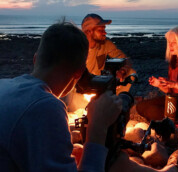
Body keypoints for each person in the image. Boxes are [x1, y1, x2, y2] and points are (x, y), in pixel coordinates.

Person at [0, 21, 122, 172]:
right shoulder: (45, 106)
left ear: (36, 59)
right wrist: (98, 127)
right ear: (79, 72)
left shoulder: (4, 86)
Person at [136, 27, 178, 124]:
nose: (170, 46)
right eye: (168, 42)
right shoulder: (174, 60)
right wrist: (160, 84)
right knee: (140, 106)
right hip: (172, 102)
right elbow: (170, 91)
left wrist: (175, 84)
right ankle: (162, 122)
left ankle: (170, 125)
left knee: (152, 111)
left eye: (174, 42)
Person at [81, 13, 136, 94]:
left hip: (99, 83)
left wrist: (122, 71)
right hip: (80, 87)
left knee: (130, 72)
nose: (105, 33)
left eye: (104, 29)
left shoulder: (105, 44)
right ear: (89, 32)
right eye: (100, 30)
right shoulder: (77, 46)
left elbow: (127, 60)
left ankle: (117, 100)